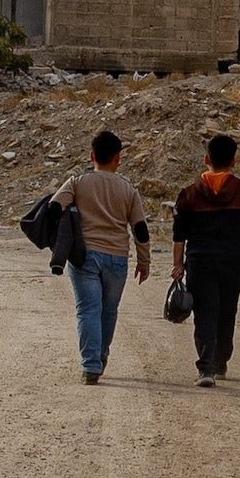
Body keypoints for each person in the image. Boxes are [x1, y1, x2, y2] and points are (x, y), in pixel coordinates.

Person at [52, 129, 151, 383]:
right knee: (109, 310)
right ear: (118, 158)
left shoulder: (77, 182)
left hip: (85, 256)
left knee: (87, 310)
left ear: (91, 155)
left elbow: (54, 206)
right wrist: (144, 261)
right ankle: (102, 355)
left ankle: (91, 365)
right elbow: (140, 228)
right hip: (117, 258)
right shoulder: (129, 189)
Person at [170, 134, 240, 387]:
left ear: (206, 159)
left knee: (205, 311)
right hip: (234, 258)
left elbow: (179, 236)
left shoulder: (190, 194)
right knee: (228, 309)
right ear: (234, 161)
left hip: (201, 260)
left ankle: (205, 367)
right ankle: (221, 360)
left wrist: (178, 265)